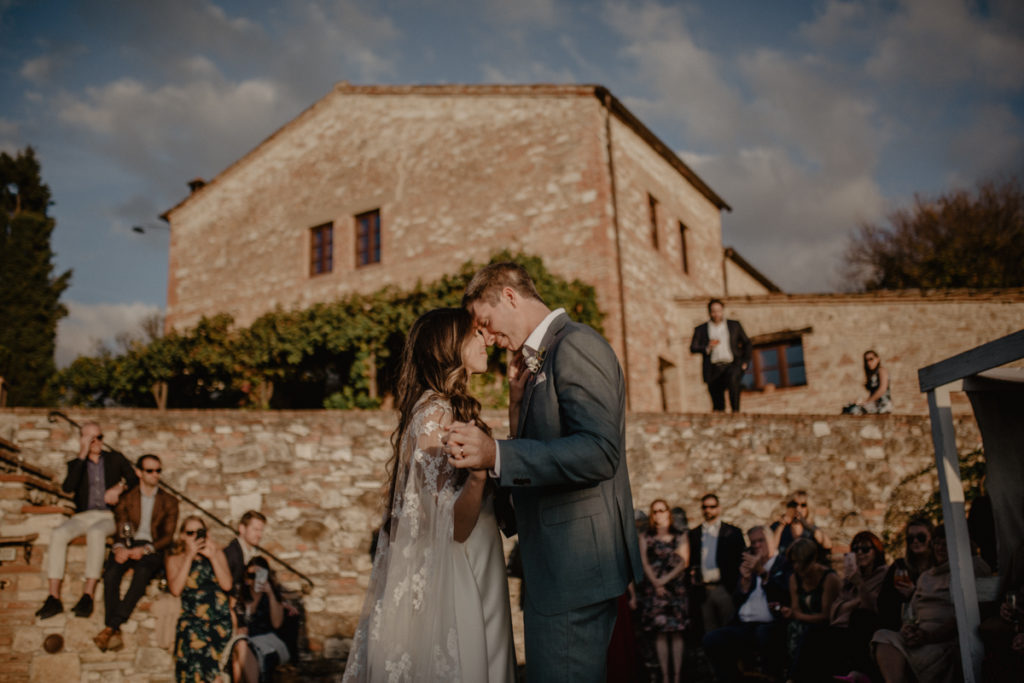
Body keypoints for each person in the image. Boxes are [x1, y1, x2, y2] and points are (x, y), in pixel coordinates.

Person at [447, 262, 642, 682]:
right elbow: (548, 450)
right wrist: (517, 410)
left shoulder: (575, 345)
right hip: (555, 570)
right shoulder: (538, 361)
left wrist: (497, 453)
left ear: (510, 297)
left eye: (486, 322)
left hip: (574, 568)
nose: (487, 337)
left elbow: (599, 452)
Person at [343, 307, 516, 682]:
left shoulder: (440, 409)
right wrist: (479, 475)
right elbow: (450, 524)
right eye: (475, 333)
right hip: (461, 570)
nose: (487, 339)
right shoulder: (434, 415)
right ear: (449, 346)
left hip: (479, 561)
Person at [36, 421, 138, 620]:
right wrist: (82, 453)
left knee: (97, 533)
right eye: (91, 438)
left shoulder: (115, 458)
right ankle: (53, 596)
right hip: (83, 515)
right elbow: (68, 487)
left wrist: (119, 488)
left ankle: (88, 594)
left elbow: (134, 479)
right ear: (83, 440)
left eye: (99, 437)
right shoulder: (77, 464)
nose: (97, 442)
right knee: (58, 534)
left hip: (110, 515)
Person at [871, 524, 992, 683]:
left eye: (946, 543)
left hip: (944, 638)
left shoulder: (968, 568)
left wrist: (929, 636)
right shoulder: (926, 576)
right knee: (882, 636)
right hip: (919, 633)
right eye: (937, 543)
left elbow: (964, 617)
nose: (940, 548)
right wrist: (908, 628)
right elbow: (911, 612)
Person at [94, 454, 179, 651]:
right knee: (111, 574)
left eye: (158, 470)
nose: (155, 475)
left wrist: (145, 549)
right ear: (139, 473)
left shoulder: (169, 501)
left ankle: (111, 626)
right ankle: (113, 628)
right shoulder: (127, 498)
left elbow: (167, 537)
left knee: (142, 574)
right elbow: (120, 527)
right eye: (150, 470)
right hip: (129, 543)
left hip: (153, 548)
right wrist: (120, 548)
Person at [703, 525, 790, 683]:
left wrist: (763, 573)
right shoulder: (749, 566)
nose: (757, 546)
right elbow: (737, 601)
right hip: (745, 624)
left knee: (763, 635)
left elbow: (784, 594)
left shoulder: (783, 564)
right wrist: (744, 581)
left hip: (772, 624)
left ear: (772, 541)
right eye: (753, 542)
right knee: (712, 639)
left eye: (761, 541)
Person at [803, 530, 887, 681]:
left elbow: (872, 608)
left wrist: (860, 585)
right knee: (812, 634)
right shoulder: (849, 580)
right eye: (855, 550)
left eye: (865, 549)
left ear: (876, 552)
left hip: (862, 628)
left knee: (855, 620)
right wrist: (854, 603)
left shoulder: (883, 575)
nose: (860, 553)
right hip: (841, 626)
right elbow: (835, 608)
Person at [167, 515, 233, 683]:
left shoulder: (216, 553)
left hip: (217, 619)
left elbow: (227, 585)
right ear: (182, 536)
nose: (195, 536)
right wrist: (189, 556)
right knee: (192, 633)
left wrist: (212, 557)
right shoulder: (175, 559)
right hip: (192, 619)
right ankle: (215, 678)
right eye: (190, 533)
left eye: (200, 532)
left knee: (194, 639)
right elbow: (175, 590)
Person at [636, 499, 690, 683]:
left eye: (661, 510)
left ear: (668, 512)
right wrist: (656, 584)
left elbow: (683, 561)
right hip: (655, 590)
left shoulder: (679, 535)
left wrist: (663, 581)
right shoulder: (645, 536)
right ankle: (665, 677)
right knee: (660, 633)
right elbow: (644, 562)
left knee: (676, 633)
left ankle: (677, 677)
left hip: (675, 589)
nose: (658, 514)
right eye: (655, 511)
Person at [780, 537, 840, 681]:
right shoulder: (795, 578)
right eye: (793, 562)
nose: (796, 567)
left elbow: (826, 615)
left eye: (799, 562)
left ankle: (793, 677)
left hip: (824, 626)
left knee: (809, 634)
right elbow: (796, 609)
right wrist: (792, 614)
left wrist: (796, 615)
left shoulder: (829, 578)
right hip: (801, 624)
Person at [688, 493, 745, 634]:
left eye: (712, 506)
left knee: (729, 628)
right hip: (703, 590)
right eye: (705, 507)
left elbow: (741, 559)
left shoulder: (732, 532)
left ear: (718, 508)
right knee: (709, 630)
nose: (708, 510)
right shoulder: (694, 534)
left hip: (724, 587)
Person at [228, 556, 290, 683]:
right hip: (245, 643)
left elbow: (277, 624)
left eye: (260, 575)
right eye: (251, 575)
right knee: (239, 649)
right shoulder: (239, 599)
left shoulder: (272, 597)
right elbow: (232, 622)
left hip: (269, 643)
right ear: (246, 578)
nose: (255, 579)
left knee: (239, 652)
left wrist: (270, 593)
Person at [689, 298, 751, 412]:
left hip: (732, 364)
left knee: (734, 384)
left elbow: (747, 343)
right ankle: (721, 422)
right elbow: (693, 347)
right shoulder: (701, 329)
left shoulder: (734, 325)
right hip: (713, 367)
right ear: (709, 312)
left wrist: (745, 361)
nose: (716, 314)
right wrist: (707, 347)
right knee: (718, 403)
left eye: (718, 311)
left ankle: (736, 414)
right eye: (713, 311)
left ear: (722, 311)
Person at [877, 518, 934, 631]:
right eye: (910, 538)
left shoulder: (937, 567)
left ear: (931, 538)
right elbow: (883, 602)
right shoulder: (899, 566)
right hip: (900, 624)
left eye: (921, 537)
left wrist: (913, 593)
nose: (915, 541)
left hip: (929, 623)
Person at [224, 510, 266, 592]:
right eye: (255, 530)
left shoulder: (254, 553)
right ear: (242, 529)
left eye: (261, 530)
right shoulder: (231, 553)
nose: (259, 535)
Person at [843, 349, 892, 414]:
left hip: (882, 405)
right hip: (873, 404)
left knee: (854, 410)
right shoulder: (872, 374)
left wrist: (867, 402)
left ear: (878, 359)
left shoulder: (882, 370)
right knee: (848, 408)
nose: (868, 362)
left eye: (871, 359)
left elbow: (882, 389)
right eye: (866, 360)